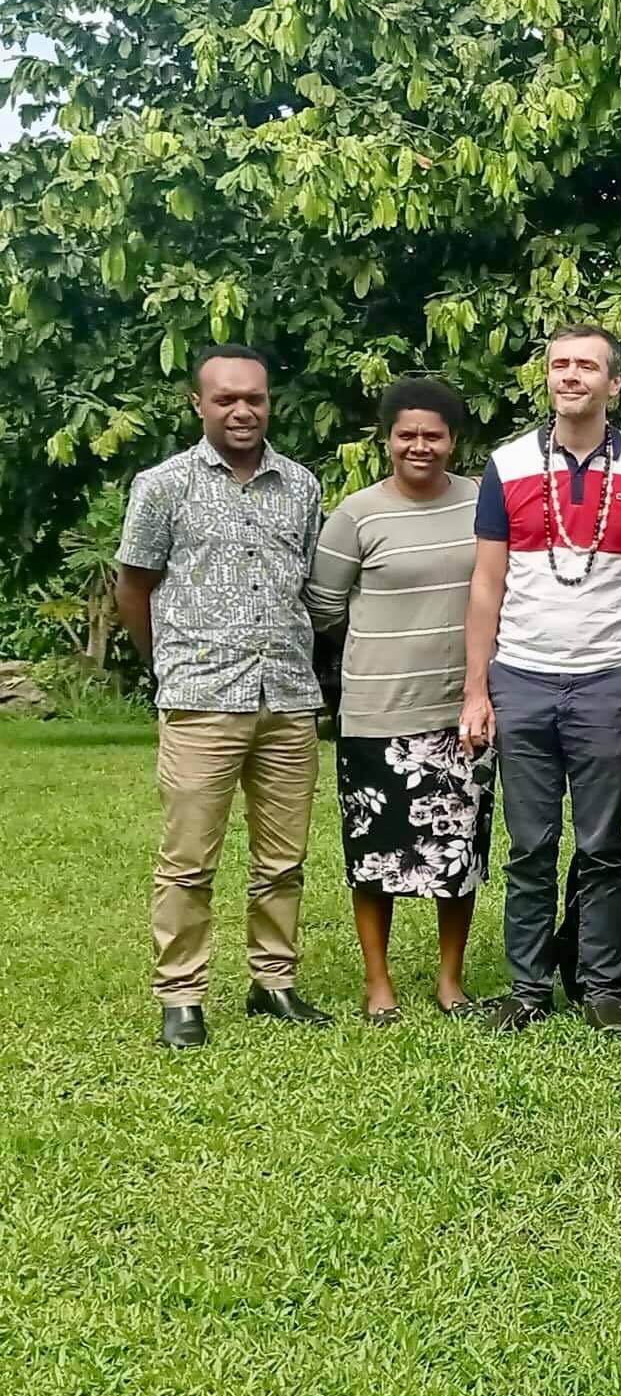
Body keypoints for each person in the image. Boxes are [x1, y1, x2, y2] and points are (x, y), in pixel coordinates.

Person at [458, 326, 621, 1038]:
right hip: (520, 677)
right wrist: (476, 690)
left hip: (607, 682)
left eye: (587, 365)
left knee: (601, 845)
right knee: (529, 846)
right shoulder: (508, 464)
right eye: (560, 365)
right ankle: (527, 989)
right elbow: (486, 585)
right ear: (547, 379)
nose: (571, 376)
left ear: (614, 383)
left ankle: (603, 987)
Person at [115, 343, 332, 1049]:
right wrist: (169, 670)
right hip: (202, 696)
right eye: (227, 399)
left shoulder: (300, 486)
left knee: (283, 859)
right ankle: (181, 997)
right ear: (199, 404)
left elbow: (305, 585)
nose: (243, 410)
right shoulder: (163, 484)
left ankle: (274, 983)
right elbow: (135, 587)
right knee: (188, 860)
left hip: (288, 699)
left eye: (255, 398)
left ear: (270, 403)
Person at [305, 376, 491, 1026]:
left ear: (453, 440)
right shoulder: (357, 513)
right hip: (375, 708)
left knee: (457, 853)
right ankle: (378, 984)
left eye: (433, 435)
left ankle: (450, 980)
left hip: (462, 708)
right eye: (407, 434)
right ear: (387, 440)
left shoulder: (481, 502)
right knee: (373, 853)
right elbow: (325, 604)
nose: (420, 445)